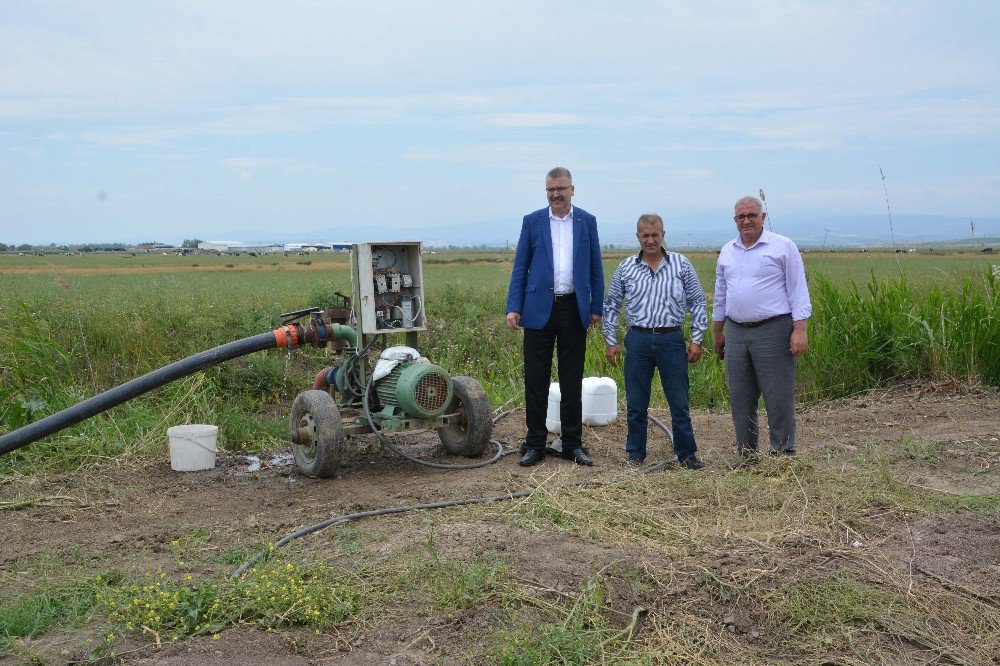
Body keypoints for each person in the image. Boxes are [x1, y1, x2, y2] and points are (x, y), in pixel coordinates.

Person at [506, 167, 604, 467]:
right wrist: (514, 306)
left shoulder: (586, 221)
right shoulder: (533, 221)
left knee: (572, 379)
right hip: (538, 310)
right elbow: (520, 266)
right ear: (546, 191)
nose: (556, 194)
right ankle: (535, 443)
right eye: (550, 190)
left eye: (561, 189)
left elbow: (595, 267)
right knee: (536, 379)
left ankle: (572, 444)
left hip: (573, 308)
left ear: (572, 190)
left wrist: (595, 307)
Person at [603, 214, 708, 469]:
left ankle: (687, 454)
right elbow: (612, 305)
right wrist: (611, 340)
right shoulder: (626, 267)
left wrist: (696, 339)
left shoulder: (681, 264)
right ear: (637, 236)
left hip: (671, 340)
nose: (650, 240)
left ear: (663, 235)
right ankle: (635, 454)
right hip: (637, 340)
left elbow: (697, 301)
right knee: (637, 404)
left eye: (655, 235)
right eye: (645, 235)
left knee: (679, 402)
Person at [712, 196, 812, 459]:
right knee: (740, 396)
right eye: (740, 217)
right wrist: (717, 331)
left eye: (751, 215)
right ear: (735, 220)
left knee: (777, 394)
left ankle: (782, 451)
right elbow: (720, 294)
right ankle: (747, 453)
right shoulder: (727, 251)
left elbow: (798, 291)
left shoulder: (782, 247)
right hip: (735, 331)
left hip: (773, 329)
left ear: (763, 217)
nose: (746, 221)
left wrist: (799, 330)